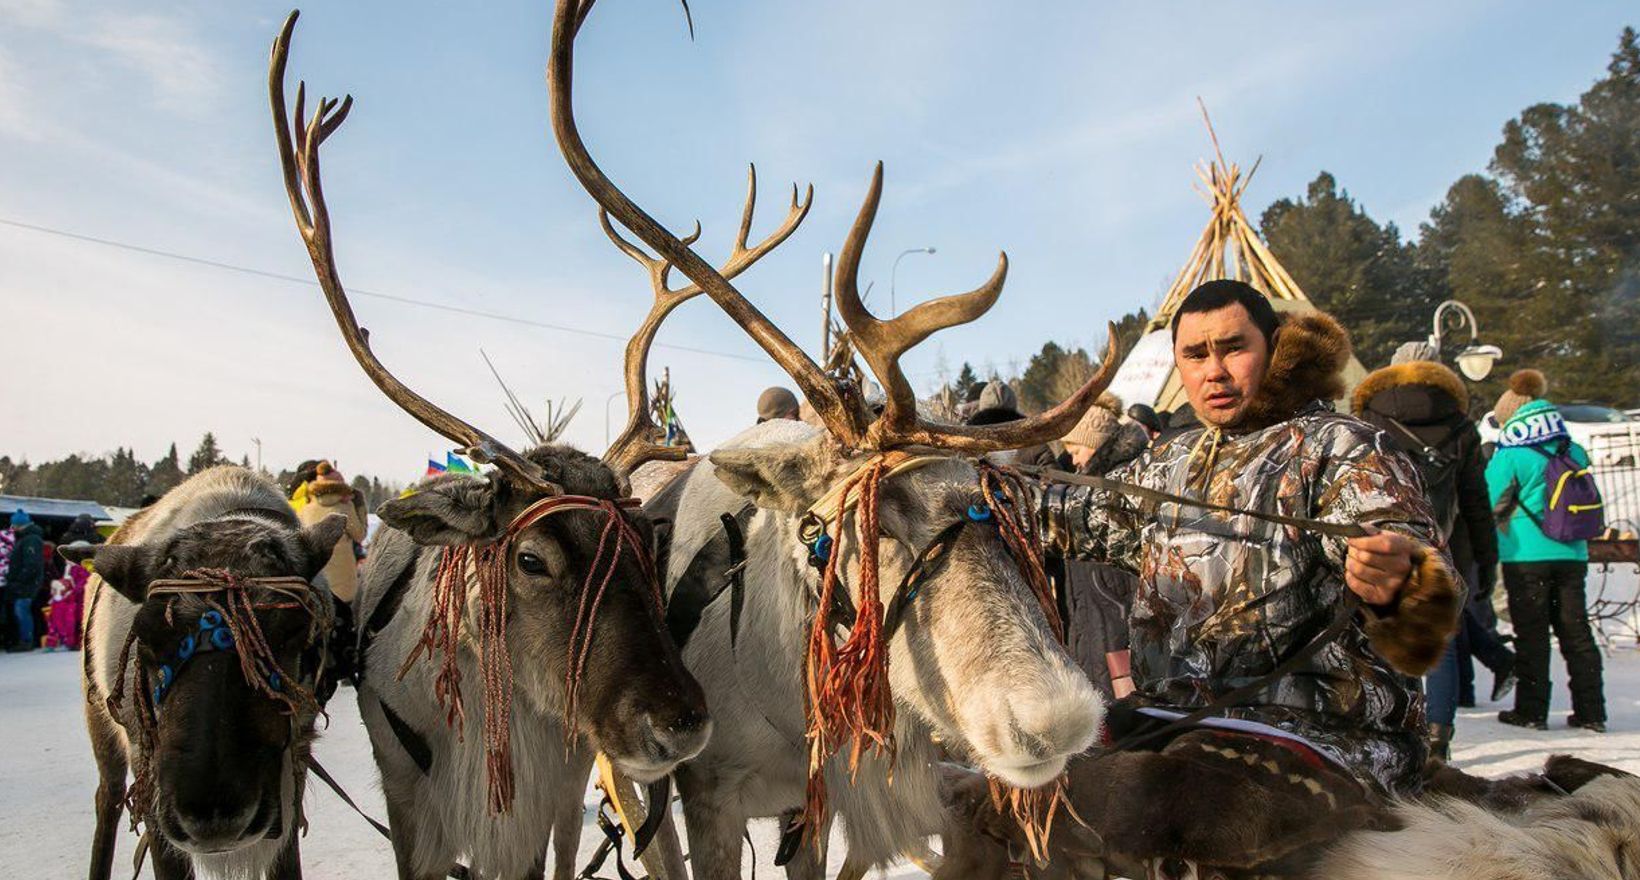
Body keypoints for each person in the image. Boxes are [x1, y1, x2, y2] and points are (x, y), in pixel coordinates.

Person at [1030, 281, 1458, 871]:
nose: (1215, 372)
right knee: (1033, 805)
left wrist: (1398, 578)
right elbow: (1060, 516)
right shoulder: (1169, 463)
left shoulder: (1343, 447)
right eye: (1195, 355)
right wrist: (956, 482)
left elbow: (1415, 571)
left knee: (1185, 816)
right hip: (1171, 724)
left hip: (1323, 736)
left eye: (1234, 348)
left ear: (1277, 347)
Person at [1353, 341, 1508, 761]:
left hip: (1381, 545)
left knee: (1381, 637)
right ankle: (1438, 734)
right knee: (1437, 640)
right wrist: (1487, 562)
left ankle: (1392, 727)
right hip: (1446, 547)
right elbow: (1476, 503)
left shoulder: (1366, 420)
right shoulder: (1460, 425)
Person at [1484, 369, 1606, 733]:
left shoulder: (1513, 453)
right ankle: (1592, 711)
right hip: (1572, 552)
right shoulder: (1572, 447)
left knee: (1532, 635)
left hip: (1526, 557)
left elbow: (1489, 500)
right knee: (1576, 633)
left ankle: (1532, 711)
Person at [5, 510, 46, 652]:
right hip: (24, 584)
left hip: (26, 586)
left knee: (21, 611)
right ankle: (24, 639)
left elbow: (32, 565)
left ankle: (26, 640)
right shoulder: (24, 538)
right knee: (20, 611)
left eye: (14, 525)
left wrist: (18, 580)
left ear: (19, 525)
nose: (12, 528)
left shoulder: (31, 540)